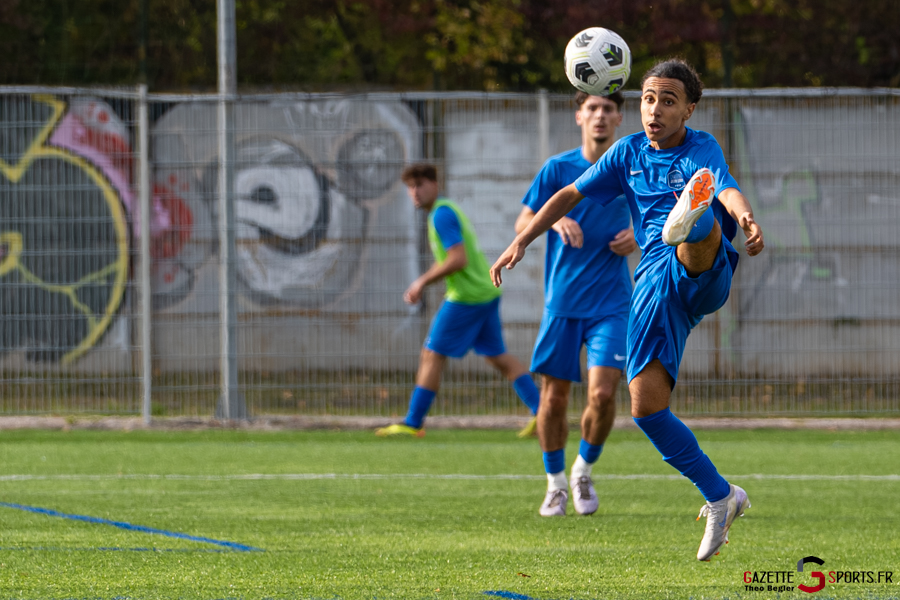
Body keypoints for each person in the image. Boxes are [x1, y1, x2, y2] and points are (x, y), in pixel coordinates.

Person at [490, 59, 764, 561]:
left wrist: (742, 214)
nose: (654, 109)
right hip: (653, 293)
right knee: (646, 409)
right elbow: (570, 193)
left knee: (695, 227)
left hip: (698, 270)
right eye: (647, 99)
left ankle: (692, 220)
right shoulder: (626, 153)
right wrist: (522, 240)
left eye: (667, 100)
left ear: (689, 109)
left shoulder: (701, 146)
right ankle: (722, 495)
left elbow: (725, 184)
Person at [515, 91, 637, 517]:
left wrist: (639, 236)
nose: (600, 116)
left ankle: (582, 469)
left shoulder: (629, 168)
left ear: (620, 117)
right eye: (593, 109)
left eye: (608, 109)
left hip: (612, 303)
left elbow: (659, 218)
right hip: (562, 303)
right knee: (554, 399)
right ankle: (554, 485)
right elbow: (523, 220)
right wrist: (556, 216)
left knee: (603, 394)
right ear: (579, 117)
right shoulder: (557, 169)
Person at [376, 163, 541, 437]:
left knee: (431, 354)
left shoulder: (441, 214)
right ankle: (542, 411)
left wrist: (421, 282)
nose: (415, 192)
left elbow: (457, 258)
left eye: (421, 185)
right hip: (485, 292)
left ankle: (413, 423)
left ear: (435, 185)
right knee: (498, 357)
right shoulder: (444, 211)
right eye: (410, 187)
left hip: (468, 297)